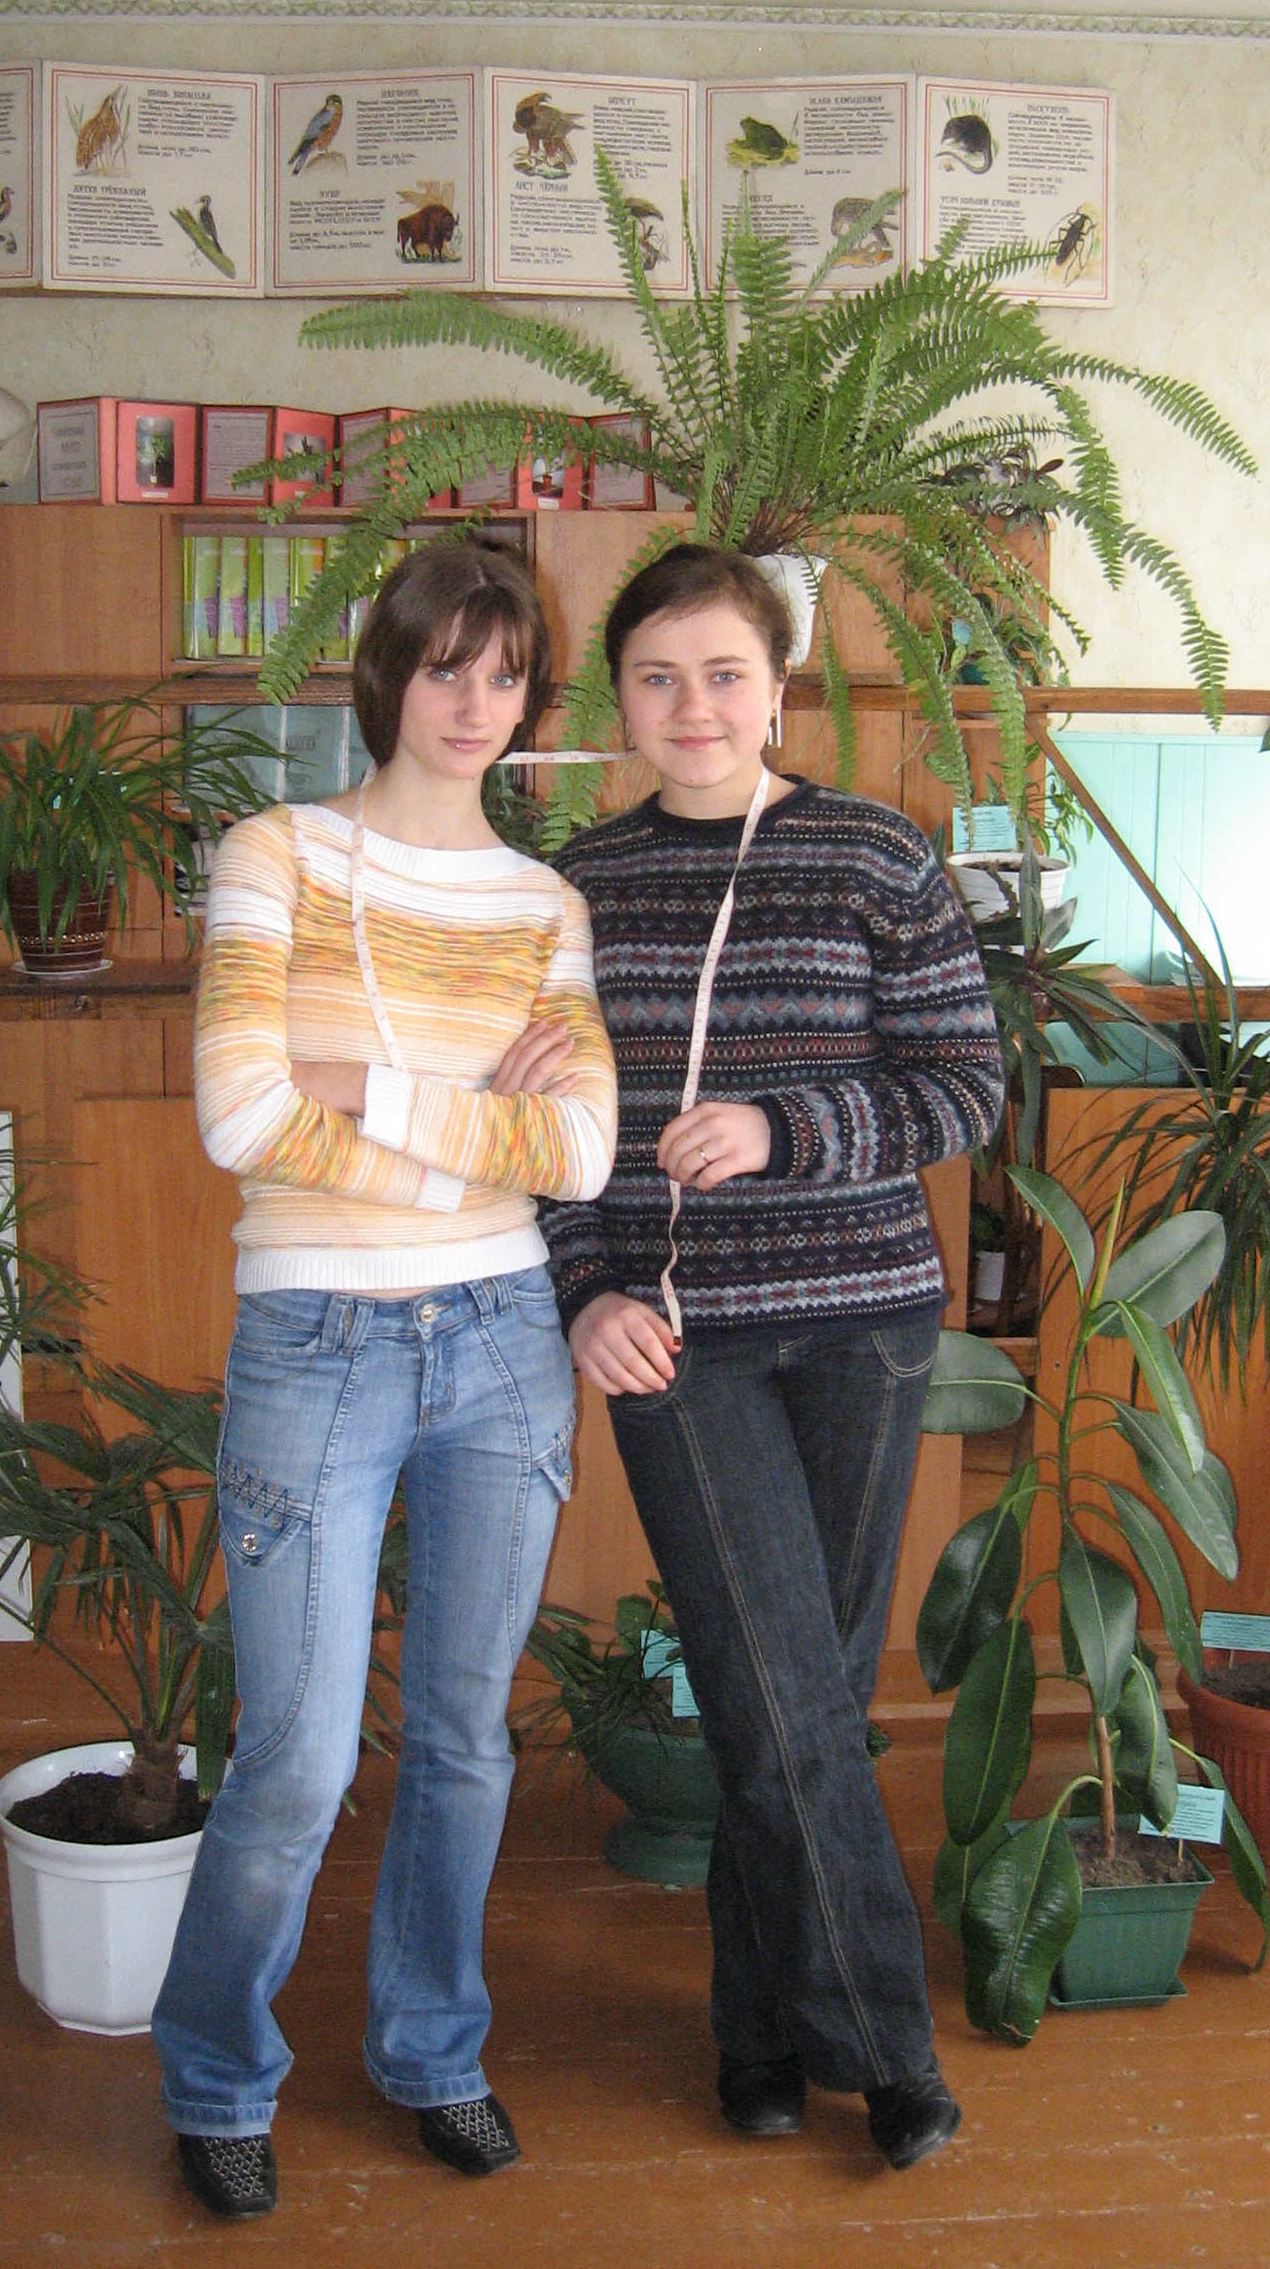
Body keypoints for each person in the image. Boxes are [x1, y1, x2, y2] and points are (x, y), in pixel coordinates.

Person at [153, 537, 617, 2219]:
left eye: (506, 675)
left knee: (466, 1741)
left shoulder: (547, 907)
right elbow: (238, 1115)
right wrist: (473, 1116)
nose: (473, 704)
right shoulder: (275, 854)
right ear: (388, 671)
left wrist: (362, 1085)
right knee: (292, 1760)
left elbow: (578, 1154)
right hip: (318, 1340)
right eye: (444, 666)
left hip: (501, 1341)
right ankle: (216, 2076)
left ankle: (433, 2051)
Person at [543, 545, 1005, 2170]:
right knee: (777, 1692)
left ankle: (756, 2029)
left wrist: (782, 1129)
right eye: (658, 677)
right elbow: (546, 1128)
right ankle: (889, 2054)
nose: (695, 706)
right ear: (619, 699)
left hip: (865, 1323)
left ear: (779, 685)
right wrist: (582, 1290)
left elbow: (963, 1086)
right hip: (681, 1344)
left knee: (798, 1702)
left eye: (724, 672)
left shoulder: (875, 854)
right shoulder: (574, 889)